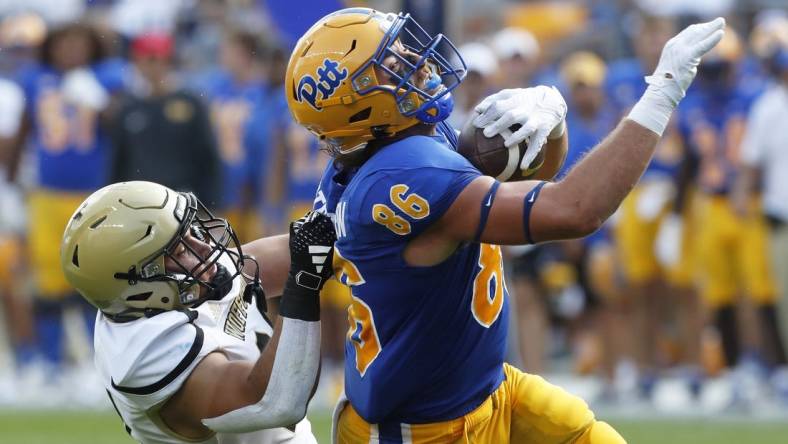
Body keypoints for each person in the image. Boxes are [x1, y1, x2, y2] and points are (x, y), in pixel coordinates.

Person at [285, 8, 724, 443]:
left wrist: (552, 127)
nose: (418, 64)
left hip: (483, 389)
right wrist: (663, 91)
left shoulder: (385, 151)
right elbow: (574, 209)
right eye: (393, 64)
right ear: (360, 105)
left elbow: (534, 181)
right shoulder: (406, 174)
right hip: (424, 429)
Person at [60, 180, 336, 443]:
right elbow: (276, 400)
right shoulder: (145, 352)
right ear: (141, 285)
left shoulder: (169, 291)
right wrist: (305, 282)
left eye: (190, 233)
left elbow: (291, 253)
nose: (203, 249)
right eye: (180, 250)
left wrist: (351, 217)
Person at [110, 33, 222, 209]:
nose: (151, 67)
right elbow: (119, 159)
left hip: (182, 198)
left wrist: (211, 203)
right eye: (145, 60)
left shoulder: (189, 102)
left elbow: (207, 155)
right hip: (139, 201)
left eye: (156, 59)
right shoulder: (129, 106)